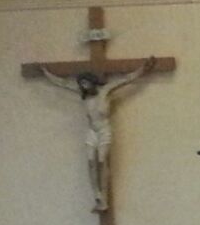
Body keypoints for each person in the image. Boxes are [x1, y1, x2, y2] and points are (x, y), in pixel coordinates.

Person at [39, 59, 155, 211]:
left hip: (104, 130)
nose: (84, 86)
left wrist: (143, 69)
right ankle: (97, 195)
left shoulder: (105, 90)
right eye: (82, 84)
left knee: (101, 161)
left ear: (92, 81)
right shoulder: (84, 95)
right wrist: (46, 73)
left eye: (86, 83)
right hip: (92, 131)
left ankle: (104, 198)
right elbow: (63, 83)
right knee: (90, 162)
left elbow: (126, 79)